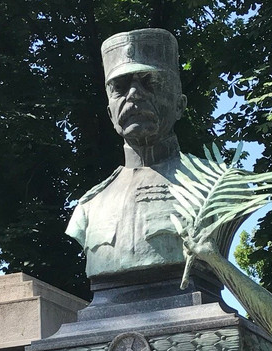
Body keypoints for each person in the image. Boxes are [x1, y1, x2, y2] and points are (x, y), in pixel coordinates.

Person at [67, 29, 193, 286]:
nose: (134, 94)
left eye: (150, 82)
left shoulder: (214, 186)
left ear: (180, 105)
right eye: (120, 87)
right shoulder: (90, 205)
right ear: (110, 113)